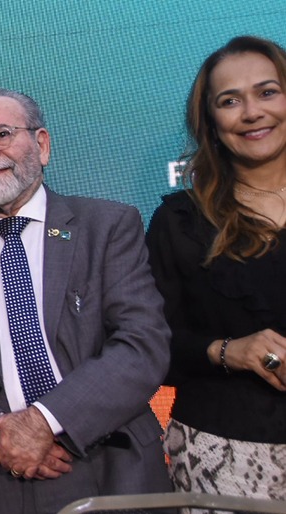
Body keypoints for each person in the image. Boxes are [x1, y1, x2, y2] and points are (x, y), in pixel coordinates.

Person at [0, 87, 172, 513]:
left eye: (1, 135)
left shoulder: (108, 226)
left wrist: (43, 420)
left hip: (111, 466)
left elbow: (142, 344)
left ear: (41, 145)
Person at [146, 35, 286, 501]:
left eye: (268, 92)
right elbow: (152, 346)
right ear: (210, 122)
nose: (252, 112)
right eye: (230, 101)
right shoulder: (179, 222)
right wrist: (229, 351)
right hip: (224, 460)